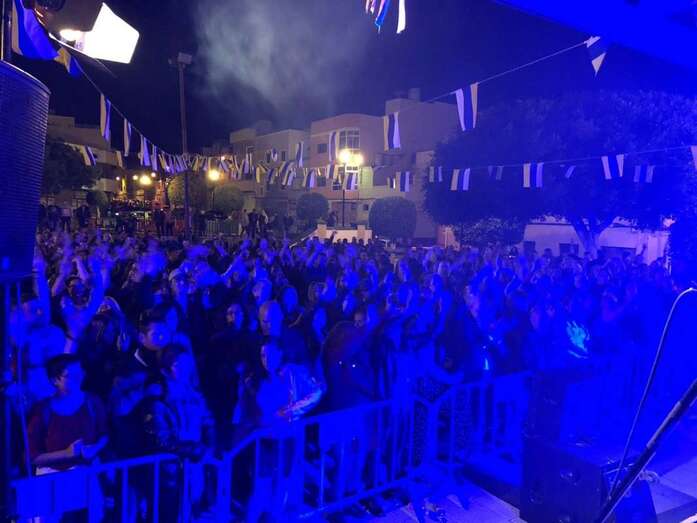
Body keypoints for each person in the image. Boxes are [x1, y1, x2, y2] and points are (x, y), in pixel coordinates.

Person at [27, 355, 108, 473]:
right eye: (72, 375)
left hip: (88, 474)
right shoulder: (42, 410)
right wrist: (66, 453)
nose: (79, 378)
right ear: (55, 380)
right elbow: (33, 457)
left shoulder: (92, 402)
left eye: (80, 373)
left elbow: (104, 435)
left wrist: (94, 449)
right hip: (54, 478)